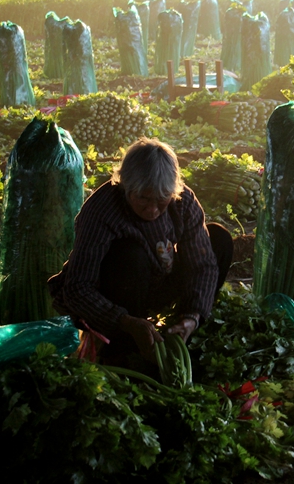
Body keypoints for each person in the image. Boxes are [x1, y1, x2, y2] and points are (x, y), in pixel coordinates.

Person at [49, 137, 232, 364]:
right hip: (118, 292)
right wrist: (125, 321)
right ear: (126, 187)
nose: (152, 209)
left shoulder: (183, 200)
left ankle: (183, 332)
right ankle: (124, 347)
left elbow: (202, 265)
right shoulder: (102, 210)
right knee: (129, 254)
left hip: (158, 281)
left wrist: (192, 316)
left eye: (161, 200)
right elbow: (77, 287)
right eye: (143, 199)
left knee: (218, 240)